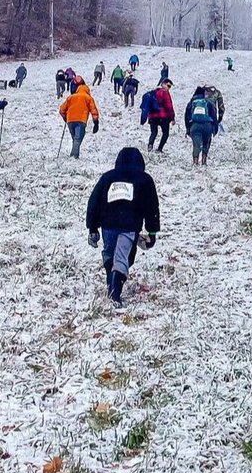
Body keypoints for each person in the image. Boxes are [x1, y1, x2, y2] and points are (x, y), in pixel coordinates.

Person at [86, 146, 160, 308]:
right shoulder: (145, 179)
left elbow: (94, 202)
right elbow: (151, 207)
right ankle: (115, 294)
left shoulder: (107, 178)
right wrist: (152, 231)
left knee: (110, 252)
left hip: (108, 225)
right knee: (123, 257)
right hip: (129, 225)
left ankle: (111, 277)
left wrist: (92, 227)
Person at [60, 81, 100, 159]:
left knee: (75, 139)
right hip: (81, 120)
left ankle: (74, 155)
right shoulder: (88, 98)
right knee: (78, 138)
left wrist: (65, 118)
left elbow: (62, 110)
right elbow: (93, 110)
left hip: (70, 121)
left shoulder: (71, 97)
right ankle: (74, 157)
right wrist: (96, 122)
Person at [185, 86, 219, 166]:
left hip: (195, 126)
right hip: (207, 126)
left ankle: (195, 162)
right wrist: (215, 129)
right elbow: (214, 116)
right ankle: (204, 161)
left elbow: (186, 117)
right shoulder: (208, 102)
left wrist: (188, 129)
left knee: (196, 144)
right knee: (206, 143)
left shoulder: (191, 103)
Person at [142, 79, 175, 152]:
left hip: (152, 116)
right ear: (163, 84)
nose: (169, 88)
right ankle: (159, 149)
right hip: (163, 117)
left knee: (154, 132)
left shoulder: (153, 93)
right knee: (165, 133)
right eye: (168, 86)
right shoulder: (165, 93)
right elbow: (169, 106)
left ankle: (150, 145)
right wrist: (172, 117)